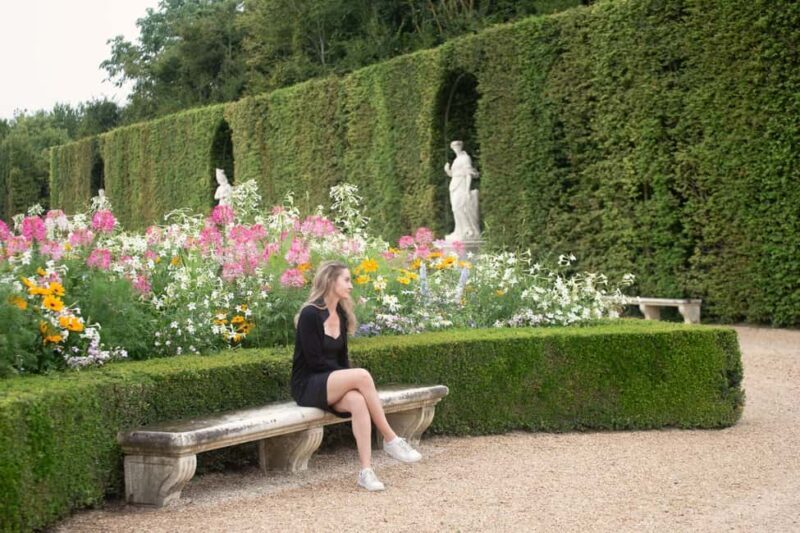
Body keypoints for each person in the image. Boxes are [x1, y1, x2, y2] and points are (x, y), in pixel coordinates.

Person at [291, 260, 422, 491]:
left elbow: (342, 359)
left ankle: (366, 471)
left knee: (359, 401)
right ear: (330, 281)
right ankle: (390, 439)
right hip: (308, 384)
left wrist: (345, 383)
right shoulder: (310, 314)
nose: (351, 285)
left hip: (331, 383)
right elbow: (314, 362)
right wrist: (347, 380)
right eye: (346, 280)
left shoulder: (341, 314)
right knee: (361, 376)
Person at [443, 140, 480, 241]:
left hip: (462, 184)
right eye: (454, 147)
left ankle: (468, 229)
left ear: (461, 146)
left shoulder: (465, 158)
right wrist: (447, 171)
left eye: (457, 146)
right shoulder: (456, 160)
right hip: (454, 185)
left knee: (460, 206)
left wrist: (467, 190)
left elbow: (468, 174)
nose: (456, 148)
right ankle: (459, 230)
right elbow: (453, 174)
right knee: (455, 208)